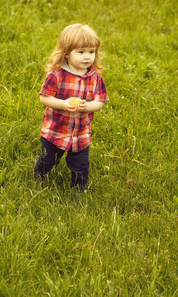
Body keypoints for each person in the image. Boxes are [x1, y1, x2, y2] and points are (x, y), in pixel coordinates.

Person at [34, 24, 109, 192]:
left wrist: (87, 106)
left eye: (91, 52)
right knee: (48, 161)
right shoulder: (56, 75)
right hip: (55, 131)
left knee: (81, 165)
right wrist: (63, 104)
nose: (87, 57)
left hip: (81, 133)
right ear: (67, 53)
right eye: (81, 52)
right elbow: (44, 97)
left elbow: (100, 101)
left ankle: (79, 191)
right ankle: (39, 176)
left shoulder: (95, 78)